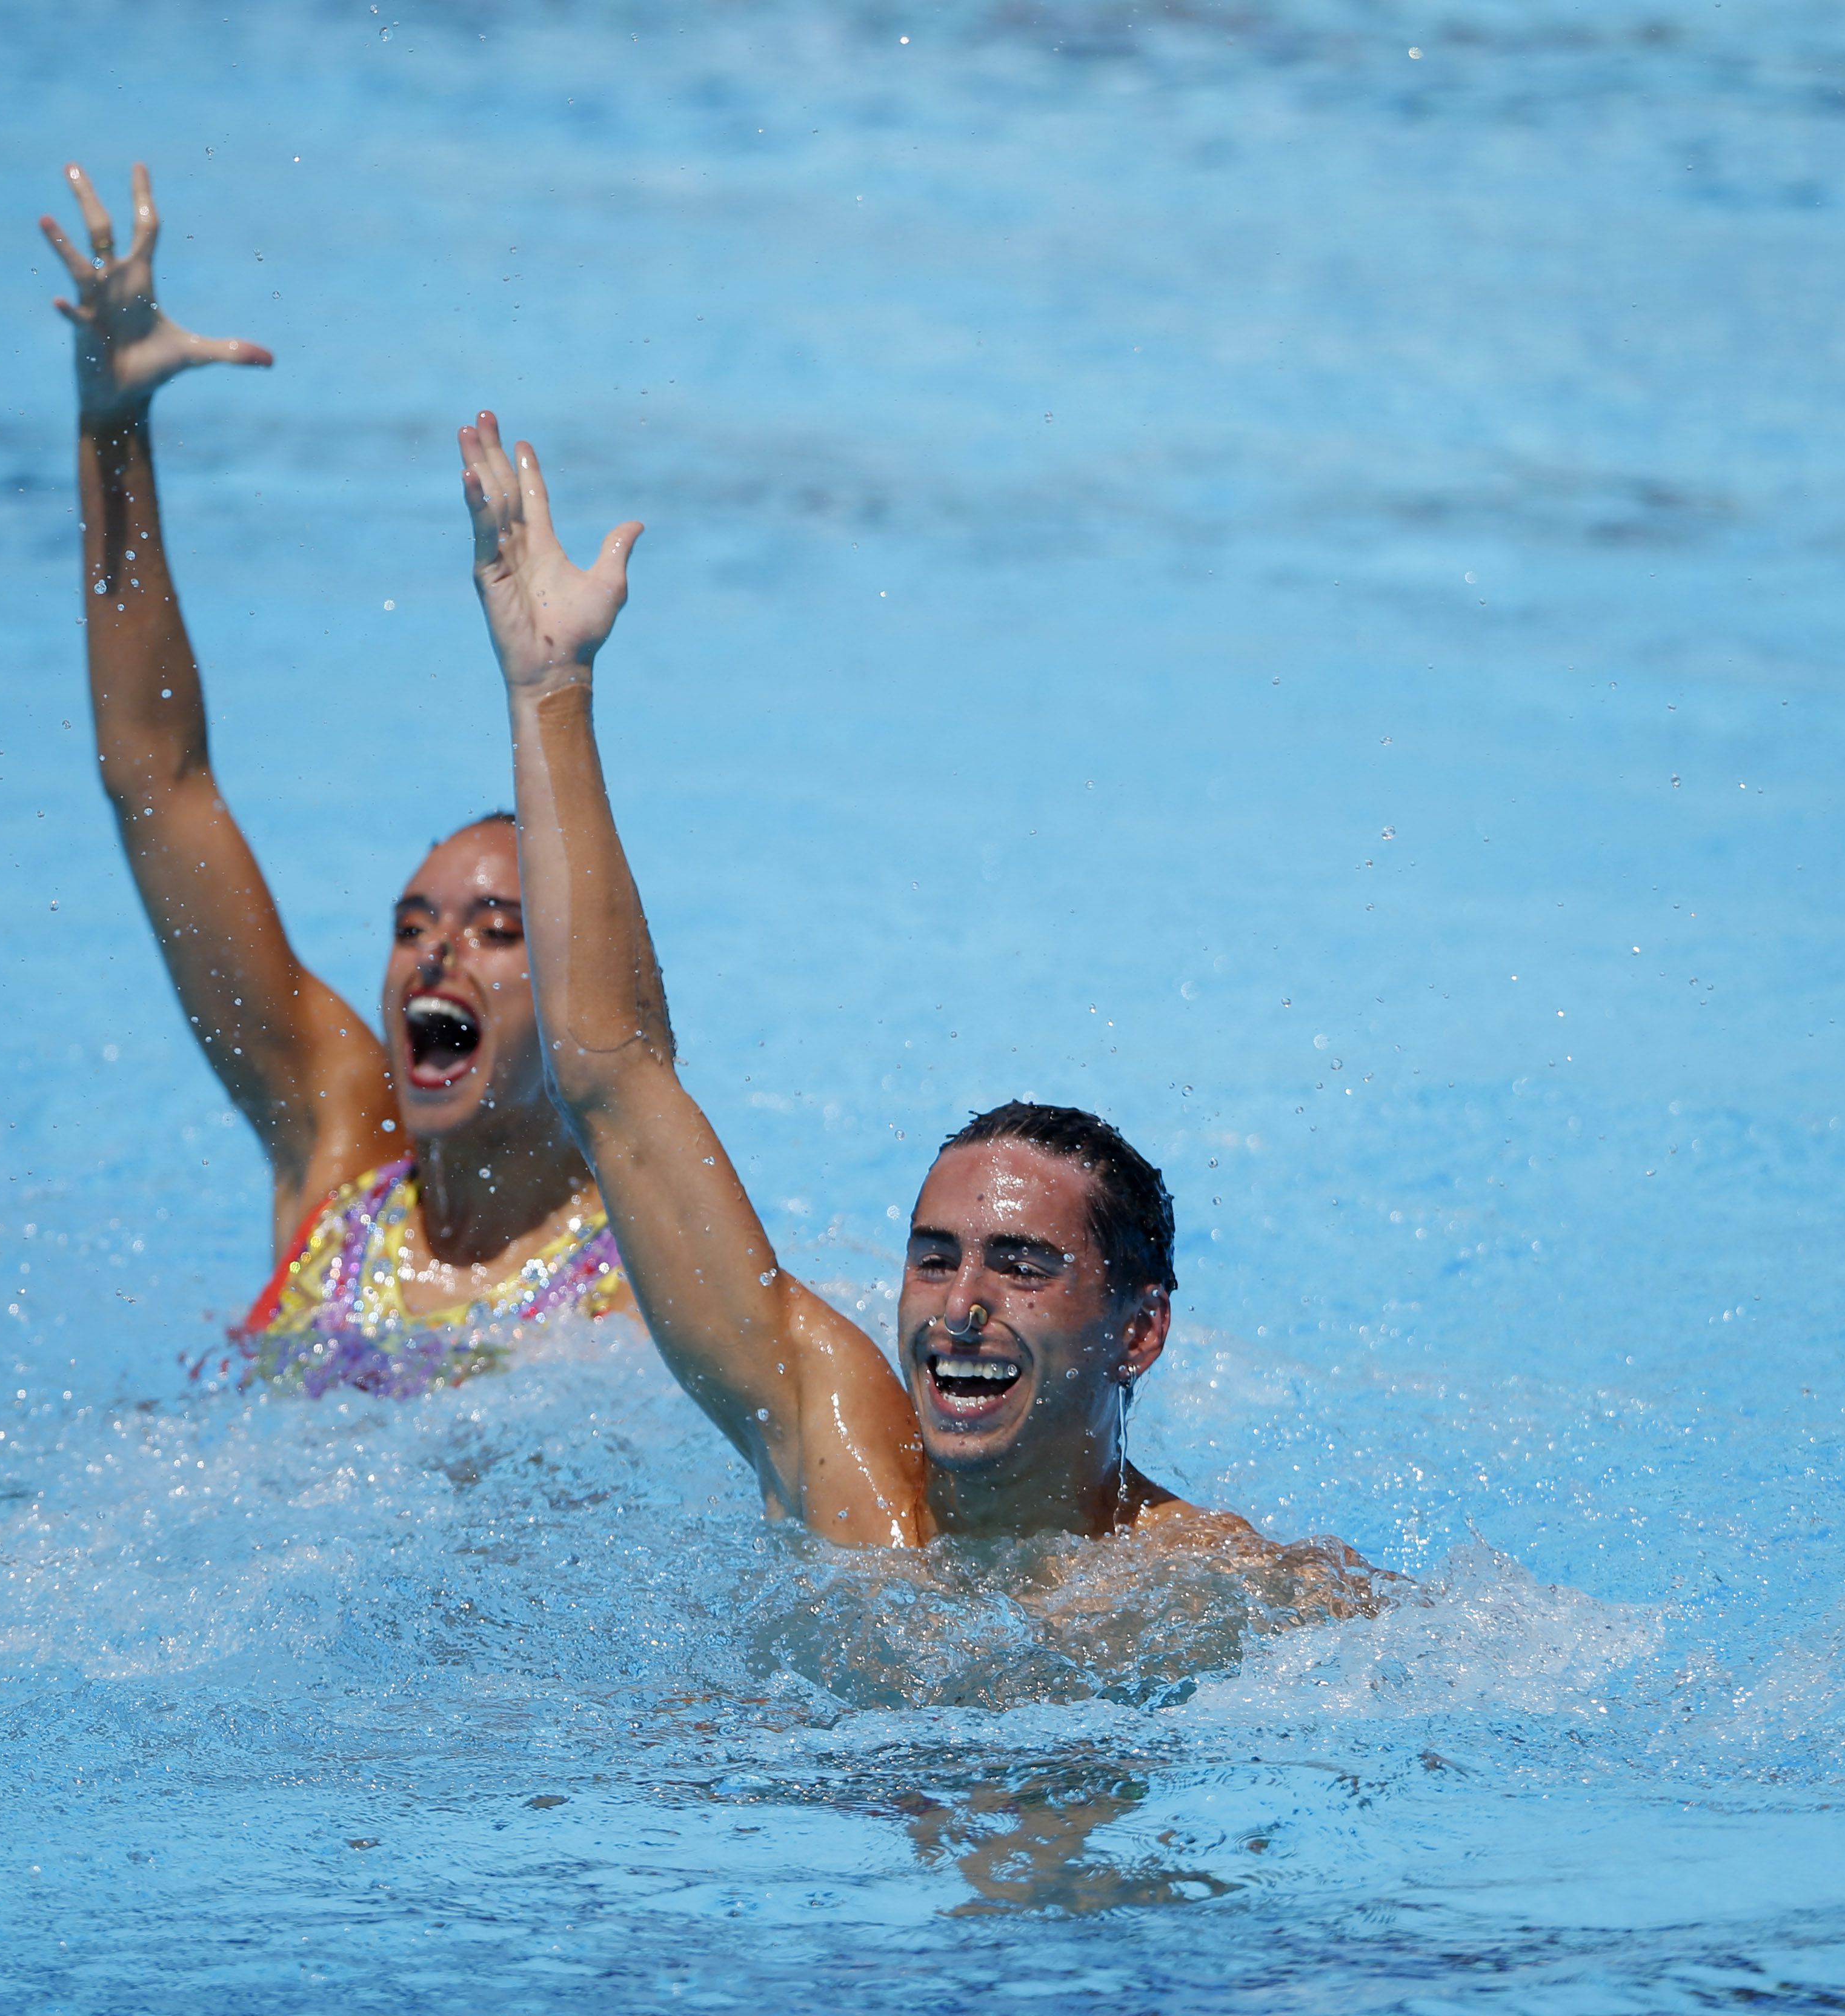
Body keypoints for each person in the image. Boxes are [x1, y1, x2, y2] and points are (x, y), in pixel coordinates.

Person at [455, 412, 1378, 1596]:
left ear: (1138, 1330)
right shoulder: (835, 1460)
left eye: (1022, 1264)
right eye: (934, 1257)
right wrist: (550, 688)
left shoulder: (1203, 1586)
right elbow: (612, 1077)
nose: (960, 1308)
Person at [39, 164, 627, 1397]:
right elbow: (160, 779)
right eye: (412, 923)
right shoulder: (336, 1158)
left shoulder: (633, 1292)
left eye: (494, 927)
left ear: (576, 984)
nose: (433, 954)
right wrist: (112, 428)